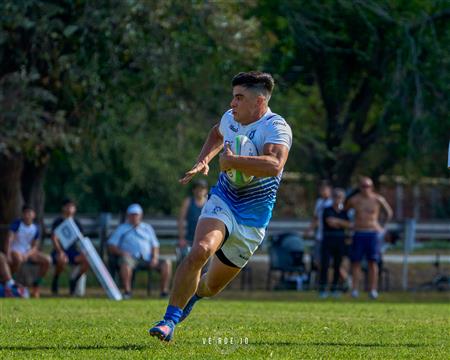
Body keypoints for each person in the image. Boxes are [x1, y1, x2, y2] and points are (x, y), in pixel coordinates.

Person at [149, 71, 292, 342]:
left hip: (252, 220)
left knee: (210, 286)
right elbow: (216, 133)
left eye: (239, 98)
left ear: (259, 101)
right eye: (233, 97)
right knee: (200, 250)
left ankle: (192, 298)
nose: (232, 103)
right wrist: (204, 159)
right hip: (224, 201)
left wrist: (233, 162)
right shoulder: (230, 119)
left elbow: (275, 165)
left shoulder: (276, 128)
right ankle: (169, 320)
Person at [107, 204, 172, 299]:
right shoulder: (122, 228)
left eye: (136, 214)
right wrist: (122, 253)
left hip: (148, 259)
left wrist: (154, 257)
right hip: (131, 259)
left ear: (141, 215)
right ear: (128, 216)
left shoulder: (147, 228)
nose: (134, 217)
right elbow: (111, 245)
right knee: (125, 263)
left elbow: (155, 245)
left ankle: (164, 292)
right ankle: (127, 292)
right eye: (132, 214)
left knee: (167, 263)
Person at [345, 177, 393, 299]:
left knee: (373, 262)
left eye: (368, 186)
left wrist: (382, 227)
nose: (365, 189)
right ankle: (355, 289)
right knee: (356, 262)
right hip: (359, 233)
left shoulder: (378, 199)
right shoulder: (354, 200)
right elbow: (344, 212)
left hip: (372, 233)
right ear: (359, 187)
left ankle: (373, 289)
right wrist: (350, 225)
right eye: (363, 186)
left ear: (372, 187)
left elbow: (389, 212)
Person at [6, 205, 51, 298]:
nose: (27, 215)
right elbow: (9, 239)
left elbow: (35, 246)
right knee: (18, 259)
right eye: (25, 213)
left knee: (47, 260)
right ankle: (11, 284)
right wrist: (8, 254)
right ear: (22, 214)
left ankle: (36, 285)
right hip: (15, 250)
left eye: (30, 213)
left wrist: (27, 254)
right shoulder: (17, 224)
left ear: (34, 215)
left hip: (27, 252)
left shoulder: (36, 228)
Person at [50, 198, 89, 295]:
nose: (69, 209)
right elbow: (54, 238)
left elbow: (81, 240)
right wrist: (60, 251)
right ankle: (56, 279)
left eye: (72, 207)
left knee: (87, 261)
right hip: (60, 251)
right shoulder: (58, 222)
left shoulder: (77, 223)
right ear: (63, 208)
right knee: (62, 260)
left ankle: (74, 281)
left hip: (73, 252)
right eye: (67, 207)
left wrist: (84, 252)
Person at [318, 189, 351, 298]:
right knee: (325, 265)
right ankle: (322, 289)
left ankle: (335, 288)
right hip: (328, 240)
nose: (338, 199)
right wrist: (341, 224)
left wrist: (338, 222)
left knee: (338, 265)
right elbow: (330, 223)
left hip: (340, 241)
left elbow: (348, 225)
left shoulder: (344, 212)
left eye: (340, 196)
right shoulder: (327, 210)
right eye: (336, 196)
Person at [305, 182, 333, 278]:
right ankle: (321, 282)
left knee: (329, 262)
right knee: (317, 261)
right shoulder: (319, 202)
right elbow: (316, 218)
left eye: (325, 190)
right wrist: (309, 230)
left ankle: (343, 281)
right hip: (319, 236)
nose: (323, 192)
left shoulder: (332, 203)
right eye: (321, 190)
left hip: (329, 237)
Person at [177, 179, 208, 263]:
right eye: (197, 188)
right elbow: (181, 220)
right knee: (183, 261)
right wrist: (181, 238)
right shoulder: (188, 201)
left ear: (206, 191)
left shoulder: (209, 203)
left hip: (205, 241)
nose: (199, 191)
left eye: (202, 188)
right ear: (193, 190)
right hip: (188, 240)